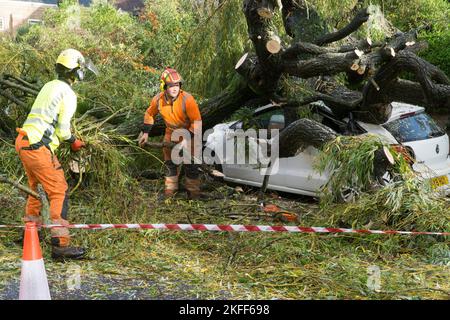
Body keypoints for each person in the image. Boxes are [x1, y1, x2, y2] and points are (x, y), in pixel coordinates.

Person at [15, 48, 97, 259]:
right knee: (59, 190)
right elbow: (63, 130)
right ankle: (60, 245)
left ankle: (29, 236)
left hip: (23, 141)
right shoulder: (68, 93)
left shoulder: (49, 85)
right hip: (38, 147)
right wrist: (74, 142)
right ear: (75, 72)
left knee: (36, 189)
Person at [138, 67, 204, 199]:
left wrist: (186, 138)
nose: (174, 88)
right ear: (164, 86)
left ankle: (194, 196)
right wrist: (145, 133)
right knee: (170, 165)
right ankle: (170, 194)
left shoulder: (187, 99)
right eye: (171, 86)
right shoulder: (158, 100)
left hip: (190, 134)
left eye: (177, 85)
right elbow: (149, 114)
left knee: (191, 166)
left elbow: (197, 121)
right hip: (170, 134)